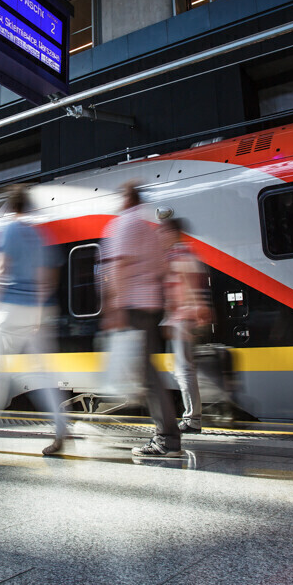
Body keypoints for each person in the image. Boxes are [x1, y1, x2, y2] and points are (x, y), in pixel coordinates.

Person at [0, 184, 68, 456]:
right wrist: (39, 312)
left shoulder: (5, 230)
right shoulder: (40, 235)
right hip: (35, 312)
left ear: (9, 206)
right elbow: (49, 277)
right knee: (44, 374)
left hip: (5, 309)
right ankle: (61, 428)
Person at [100, 182, 182, 458]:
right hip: (150, 306)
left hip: (133, 306)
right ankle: (167, 435)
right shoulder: (149, 229)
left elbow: (118, 266)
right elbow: (162, 269)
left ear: (126, 199)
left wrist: (114, 306)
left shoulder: (123, 225)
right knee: (147, 372)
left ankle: (166, 439)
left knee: (146, 375)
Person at [161, 218, 213, 434]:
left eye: (164, 233)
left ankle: (192, 419)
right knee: (183, 369)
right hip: (184, 318)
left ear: (173, 233)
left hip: (183, 319)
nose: (160, 237)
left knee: (184, 370)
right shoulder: (186, 254)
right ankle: (192, 417)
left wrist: (177, 316)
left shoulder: (178, 256)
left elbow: (185, 290)